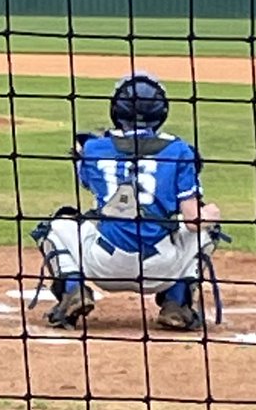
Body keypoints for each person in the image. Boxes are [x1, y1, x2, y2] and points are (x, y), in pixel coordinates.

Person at [32, 72, 227, 331]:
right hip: (159, 269)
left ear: (116, 109)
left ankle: (73, 289)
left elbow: (89, 175)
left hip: (104, 264)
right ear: (162, 111)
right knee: (206, 229)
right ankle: (177, 303)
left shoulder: (94, 148)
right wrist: (211, 213)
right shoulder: (181, 151)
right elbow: (193, 221)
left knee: (57, 225)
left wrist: (90, 149)